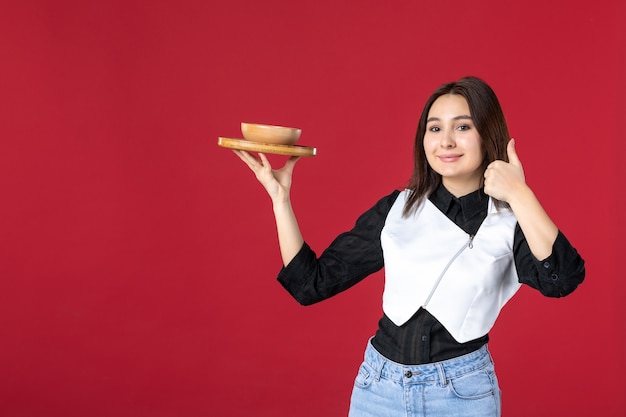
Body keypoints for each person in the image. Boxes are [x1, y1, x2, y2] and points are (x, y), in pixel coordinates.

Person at [233, 76, 585, 417]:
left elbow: (562, 279)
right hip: (378, 388)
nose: (445, 141)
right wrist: (280, 198)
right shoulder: (397, 209)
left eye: (462, 127)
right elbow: (310, 284)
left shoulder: (512, 221)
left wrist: (520, 194)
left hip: (462, 395)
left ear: (487, 134)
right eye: (435, 128)